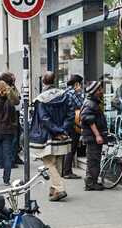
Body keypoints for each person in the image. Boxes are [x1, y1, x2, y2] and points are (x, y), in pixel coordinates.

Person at [29, 71, 72, 202]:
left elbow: (44, 119)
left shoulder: (41, 98)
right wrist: (62, 130)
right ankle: (53, 191)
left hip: (47, 136)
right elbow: (70, 114)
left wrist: (56, 131)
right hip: (63, 135)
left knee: (48, 163)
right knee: (57, 162)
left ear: (43, 82)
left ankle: (59, 188)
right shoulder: (65, 95)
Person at [80, 81, 109, 191]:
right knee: (93, 160)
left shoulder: (93, 102)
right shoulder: (90, 103)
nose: (101, 91)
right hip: (92, 137)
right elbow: (88, 120)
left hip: (92, 137)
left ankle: (92, 182)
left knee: (94, 159)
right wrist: (97, 135)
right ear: (95, 91)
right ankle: (91, 183)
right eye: (100, 89)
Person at [62, 74, 84, 179]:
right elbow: (82, 105)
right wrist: (80, 93)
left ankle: (63, 170)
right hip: (72, 123)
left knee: (66, 147)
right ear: (77, 84)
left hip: (65, 123)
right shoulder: (73, 93)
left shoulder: (65, 91)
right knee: (72, 147)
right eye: (81, 84)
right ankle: (67, 172)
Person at [0, 72, 22, 165]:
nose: (14, 80)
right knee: (12, 138)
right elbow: (16, 100)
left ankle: (13, 157)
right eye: (13, 78)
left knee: (14, 137)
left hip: (11, 114)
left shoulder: (11, 87)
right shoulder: (8, 88)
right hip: (10, 115)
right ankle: (9, 160)